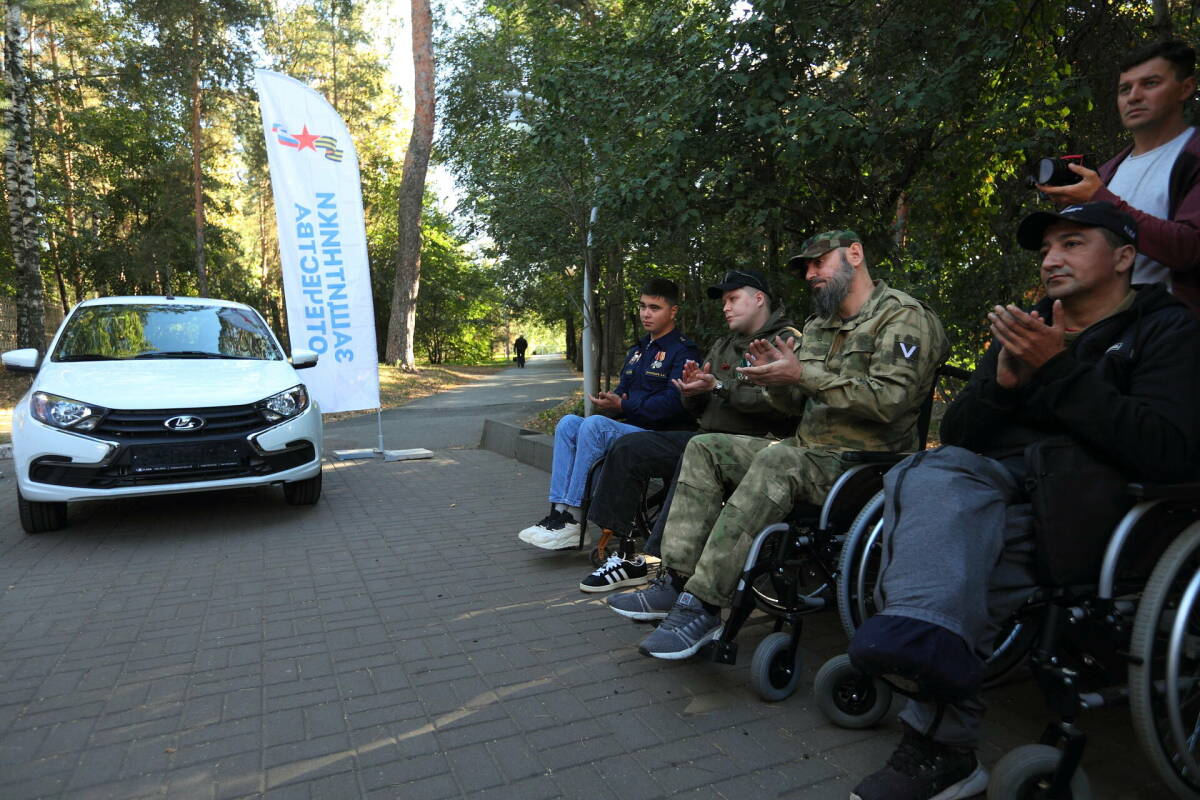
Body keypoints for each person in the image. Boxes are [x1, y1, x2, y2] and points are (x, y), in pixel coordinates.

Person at [845, 201, 1200, 800]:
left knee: (952, 560)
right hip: (993, 491)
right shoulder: (1031, 322)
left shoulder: (1167, 330)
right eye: (1045, 250)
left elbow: (1167, 451)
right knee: (928, 473)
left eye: (1072, 243)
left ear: (1123, 257)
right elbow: (960, 433)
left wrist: (1057, 369)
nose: (1052, 259)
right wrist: (1003, 385)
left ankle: (940, 744)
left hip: (1094, 510)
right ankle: (924, 649)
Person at [607, 230, 949, 660]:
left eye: (818, 262)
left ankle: (705, 605)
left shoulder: (902, 318)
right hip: (809, 453)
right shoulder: (819, 325)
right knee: (706, 447)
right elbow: (795, 401)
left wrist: (800, 376)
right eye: (806, 267)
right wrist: (774, 378)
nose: (810, 274)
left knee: (778, 460)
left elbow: (891, 401)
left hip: (864, 466)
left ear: (855, 255)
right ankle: (675, 581)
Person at [577, 269, 802, 593]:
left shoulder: (785, 340)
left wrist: (720, 387)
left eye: (733, 299)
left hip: (755, 444)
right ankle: (625, 553)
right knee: (630, 447)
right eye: (724, 301)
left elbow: (781, 405)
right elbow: (699, 403)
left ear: (758, 299)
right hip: (704, 434)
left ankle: (656, 561)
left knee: (695, 453)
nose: (725, 307)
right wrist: (692, 392)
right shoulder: (725, 343)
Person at [518, 278, 701, 549]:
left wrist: (624, 406)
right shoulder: (638, 351)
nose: (646, 314)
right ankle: (559, 513)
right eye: (642, 307)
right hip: (631, 430)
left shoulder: (683, 351)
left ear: (672, 312)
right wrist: (611, 401)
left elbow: (674, 405)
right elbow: (624, 392)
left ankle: (575, 518)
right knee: (569, 422)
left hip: (662, 437)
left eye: (654, 308)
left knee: (594, 425)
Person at [1037, 40, 1200, 315]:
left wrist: (1101, 199)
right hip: (1107, 330)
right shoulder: (1109, 170)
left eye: (1150, 84)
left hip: (1174, 332)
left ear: (1185, 88)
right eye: (1125, 89)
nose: (1133, 97)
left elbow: (1190, 249)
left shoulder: (1193, 156)